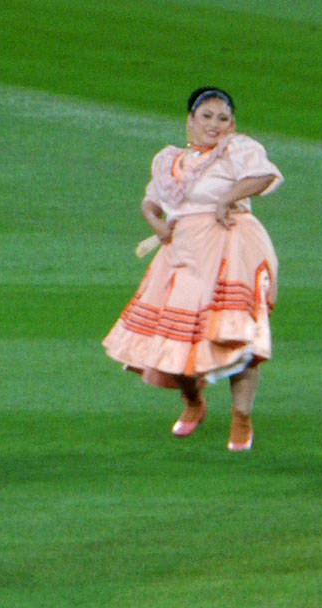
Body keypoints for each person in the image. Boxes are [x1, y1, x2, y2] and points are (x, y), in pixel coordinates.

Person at [102, 88, 282, 452]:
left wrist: (227, 199)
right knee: (175, 339)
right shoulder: (172, 161)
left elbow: (263, 177)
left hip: (231, 248)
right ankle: (193, 402)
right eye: (207, 116)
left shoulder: (237, 149)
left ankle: (241, 418)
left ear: (232, 124)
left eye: (223, 118)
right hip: (183, 254)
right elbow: (151, 203)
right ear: (190, 121)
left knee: (236, 338)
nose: (215, 124)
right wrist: (156, 224)